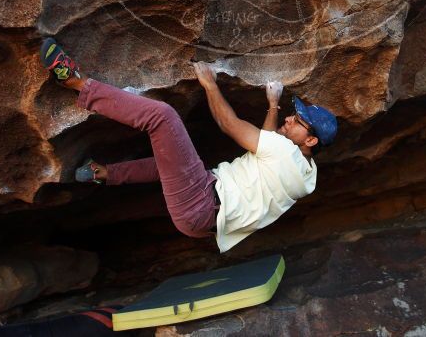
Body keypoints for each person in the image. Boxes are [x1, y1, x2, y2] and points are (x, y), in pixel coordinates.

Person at [39, 38, 337, 252]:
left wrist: (209, 84)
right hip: (202, 219)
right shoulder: (306, 176)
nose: (289, 119)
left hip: (203, 202)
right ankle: (101, 173)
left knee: (163, 117)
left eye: (298, 122)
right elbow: (269, 145)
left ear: (310, 140)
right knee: (171, 161)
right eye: (292, 114)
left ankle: (76, 83)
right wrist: (272, 105)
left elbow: (229, 126)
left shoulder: (284, 152)